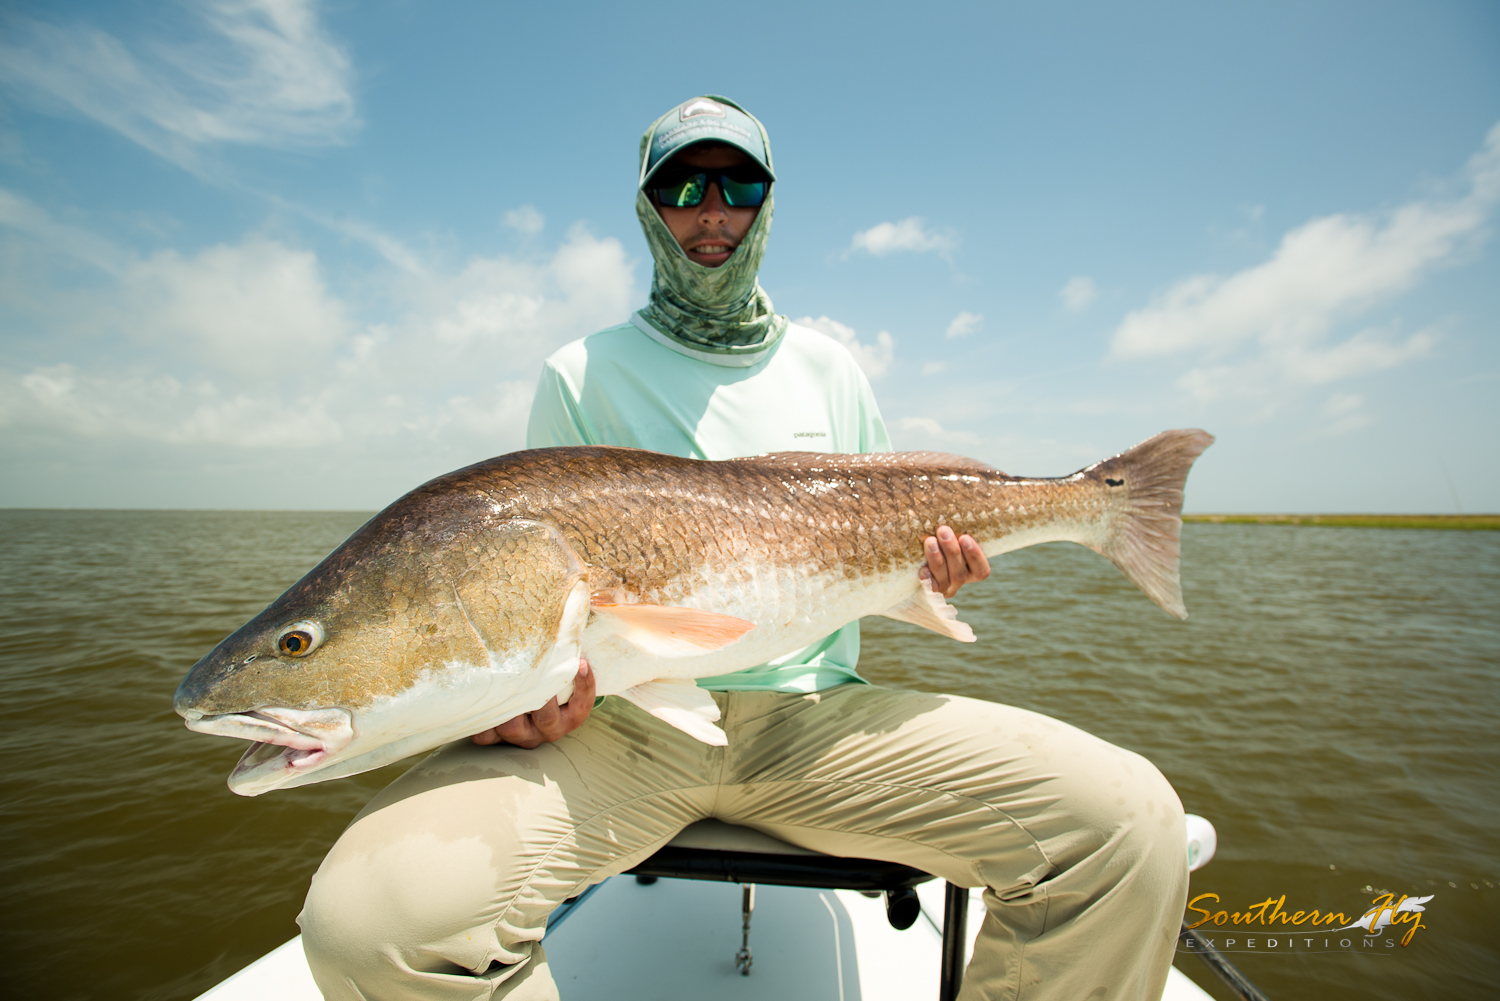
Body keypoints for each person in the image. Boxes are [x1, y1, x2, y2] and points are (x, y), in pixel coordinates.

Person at [300, 95, 1188, 1001]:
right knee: (365, 927)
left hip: (813, 719)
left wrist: (932, 571)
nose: (713, 208)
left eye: (740, 184)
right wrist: (523, 696)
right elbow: (535, 591)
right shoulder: (579, 372)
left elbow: (887, 536)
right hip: (623, 727)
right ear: (649, 207)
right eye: (683, 184)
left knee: (1131, 828)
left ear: (769, 202)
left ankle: (1105, 512)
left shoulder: (830, 367)